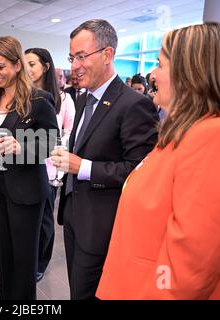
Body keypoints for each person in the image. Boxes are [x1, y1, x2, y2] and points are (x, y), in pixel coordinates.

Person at [97, 22, 220, 300]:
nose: (152, 74)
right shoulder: (182, 134)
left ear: (190, 75)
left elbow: (190, 265)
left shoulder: (216, 136)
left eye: (160, 65)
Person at [50, 19, 159, 299]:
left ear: (107, 55)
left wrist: (82, 167)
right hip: (75, 216)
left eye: (81, 56)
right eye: (72, 57)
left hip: (103, 226)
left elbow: (139, 171)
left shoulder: (134, 105)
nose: (74, 65)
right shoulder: (85, 98)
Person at [0, 36, 58, 299]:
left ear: (17, 65)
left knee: (24, 260)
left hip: (26, 191)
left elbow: (50, 143)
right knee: (6, 256)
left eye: (1, 67)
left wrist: (22, 147)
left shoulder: (38, 99)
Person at [24, 48, 75, 283]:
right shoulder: (23, 96)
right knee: (28, 219)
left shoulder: (63, 99)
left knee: (45, 219)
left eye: (32, 64)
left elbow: (68, 134)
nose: (27, 69)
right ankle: (28, 259)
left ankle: (40, 262)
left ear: (45, 67)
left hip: (49, 168)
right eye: (25, 64)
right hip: (25, 164)